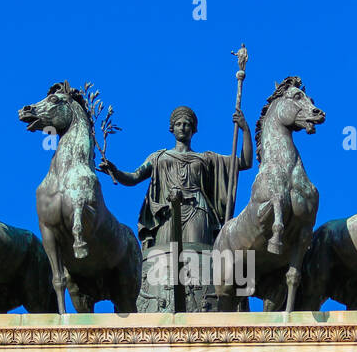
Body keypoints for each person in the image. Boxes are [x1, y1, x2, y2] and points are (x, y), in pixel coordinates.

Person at [99, 107, 252, 252]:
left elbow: (245, 163)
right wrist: (115, 171)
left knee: (196, 256)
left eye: (187, 124)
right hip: (167, 211)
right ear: (172, 128)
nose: (182, 127)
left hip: (197, 210)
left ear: (193, 130)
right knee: (164, 258)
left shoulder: (206, 159)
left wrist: (245, 129)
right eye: (178, 124)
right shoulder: (158, 157)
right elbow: (134, 177)